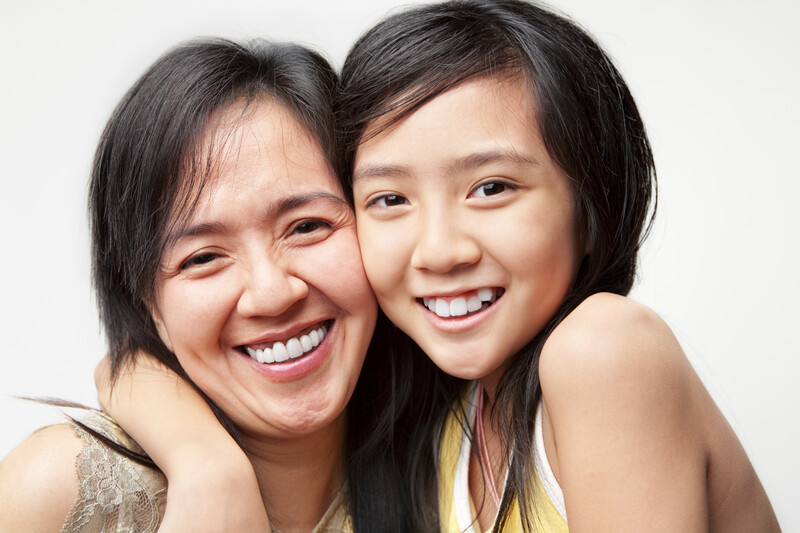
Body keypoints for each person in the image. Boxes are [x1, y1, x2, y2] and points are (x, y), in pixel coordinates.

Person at [86, 1, 782, 532]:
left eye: (491, 187)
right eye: (389, 198)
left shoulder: (602, 350)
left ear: (589, 200)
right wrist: (207, 464)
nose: (441, 249)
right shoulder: (441, 416)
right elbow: (130, 363)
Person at [0, 37, 412, 533]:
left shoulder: (460, 465)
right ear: (148, 305)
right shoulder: (60, 494)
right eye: (203, 257)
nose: (272, 293)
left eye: (307, 226)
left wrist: (201, 460)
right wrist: (207, 468)